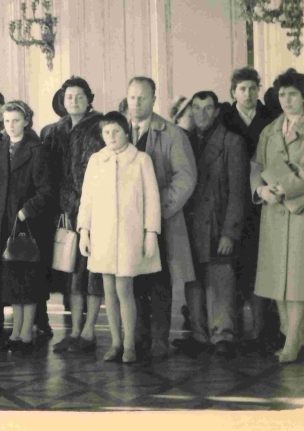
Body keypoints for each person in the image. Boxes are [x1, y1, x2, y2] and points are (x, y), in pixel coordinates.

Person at [79, 111, 162, 364]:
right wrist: (84, 231)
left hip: (130, 234)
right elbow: (87, 199)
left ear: (126, 132)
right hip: (103, 235)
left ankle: (129, 345)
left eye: (116, 131)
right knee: (108, 290)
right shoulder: (96, 160)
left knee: (124, 288)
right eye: (106, 132)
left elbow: (152, 199)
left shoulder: (140, 160)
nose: (111, 136)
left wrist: (151, 233)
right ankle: (115, 342)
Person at [126, 76, 198, 361]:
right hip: (129, 224)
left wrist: (157, 210)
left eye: (142, 97)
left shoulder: (172, 134)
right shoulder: (118, 131)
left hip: (163, 224)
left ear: (154, 99)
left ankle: (159, 340)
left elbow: (186, 179)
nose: (136, 102)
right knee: (133, 281)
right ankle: (138, 338)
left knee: (159, 282)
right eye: (132, 97)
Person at [172, 92, 248, 359]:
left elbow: (239, 193)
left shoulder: (231, 141)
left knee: (220, 280)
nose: (201, 114)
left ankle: (223, 335)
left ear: (217, 111)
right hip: (190, 225)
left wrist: (230, 232)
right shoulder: (186, 140)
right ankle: (200, 335)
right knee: (193, 282)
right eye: (196, 108)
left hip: (218, 223)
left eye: (207, 108)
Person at [0, 100, 53, 355]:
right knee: (12, 281)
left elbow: (46, 190)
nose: (11, 125)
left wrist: (25, 210)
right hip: (2, 223)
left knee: (28, 281)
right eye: (7, 120)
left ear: (26, 121)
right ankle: (15, 332)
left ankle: (26, 334)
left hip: (27, 224)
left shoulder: (36, 150)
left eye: (16, 120)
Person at [42, 77, 105, 354]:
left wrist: (86, 205)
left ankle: (89, 331)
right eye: (69, 96)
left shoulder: (101, 127)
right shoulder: (54, 131)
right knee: (71, 273)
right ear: (62, 100)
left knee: (91, 273)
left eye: (79, 96)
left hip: (95, 210)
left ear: (88, 98)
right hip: (65, 212)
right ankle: (74, 331)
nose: (74, 101)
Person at [219, 67, 277, 353]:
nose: (248, 94)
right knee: (234, 267)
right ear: (233, 92)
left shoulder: (270, 119)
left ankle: (261, 330)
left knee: (260, 264)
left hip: (262, 200)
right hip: (231, 199)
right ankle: (235, 330)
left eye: (253, 88)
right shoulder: (224, 119)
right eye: (242, 89)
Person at [252, 68, 304, 364]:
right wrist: (261, 191)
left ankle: (295, 341)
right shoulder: (270, 130)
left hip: (302, 211)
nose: (287, 100)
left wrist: (283, 187)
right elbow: (256, 165)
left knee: (298, 280)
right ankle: (290, 332)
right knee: (277, 280)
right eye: (282, 94)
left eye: (292, 94)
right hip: (273, 212)